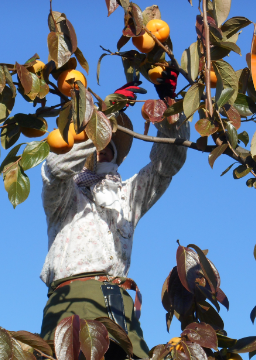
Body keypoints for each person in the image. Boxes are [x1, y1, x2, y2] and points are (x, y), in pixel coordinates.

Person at [39, 70, 188, 359]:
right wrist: (95, 123)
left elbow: (165, 166)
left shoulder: (125, 197)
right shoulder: (65, 197)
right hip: (71, 303)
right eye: (97, 143)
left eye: (108, 144)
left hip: (118, 308)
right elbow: (55, 169)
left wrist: (170, 110)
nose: (103, 149)